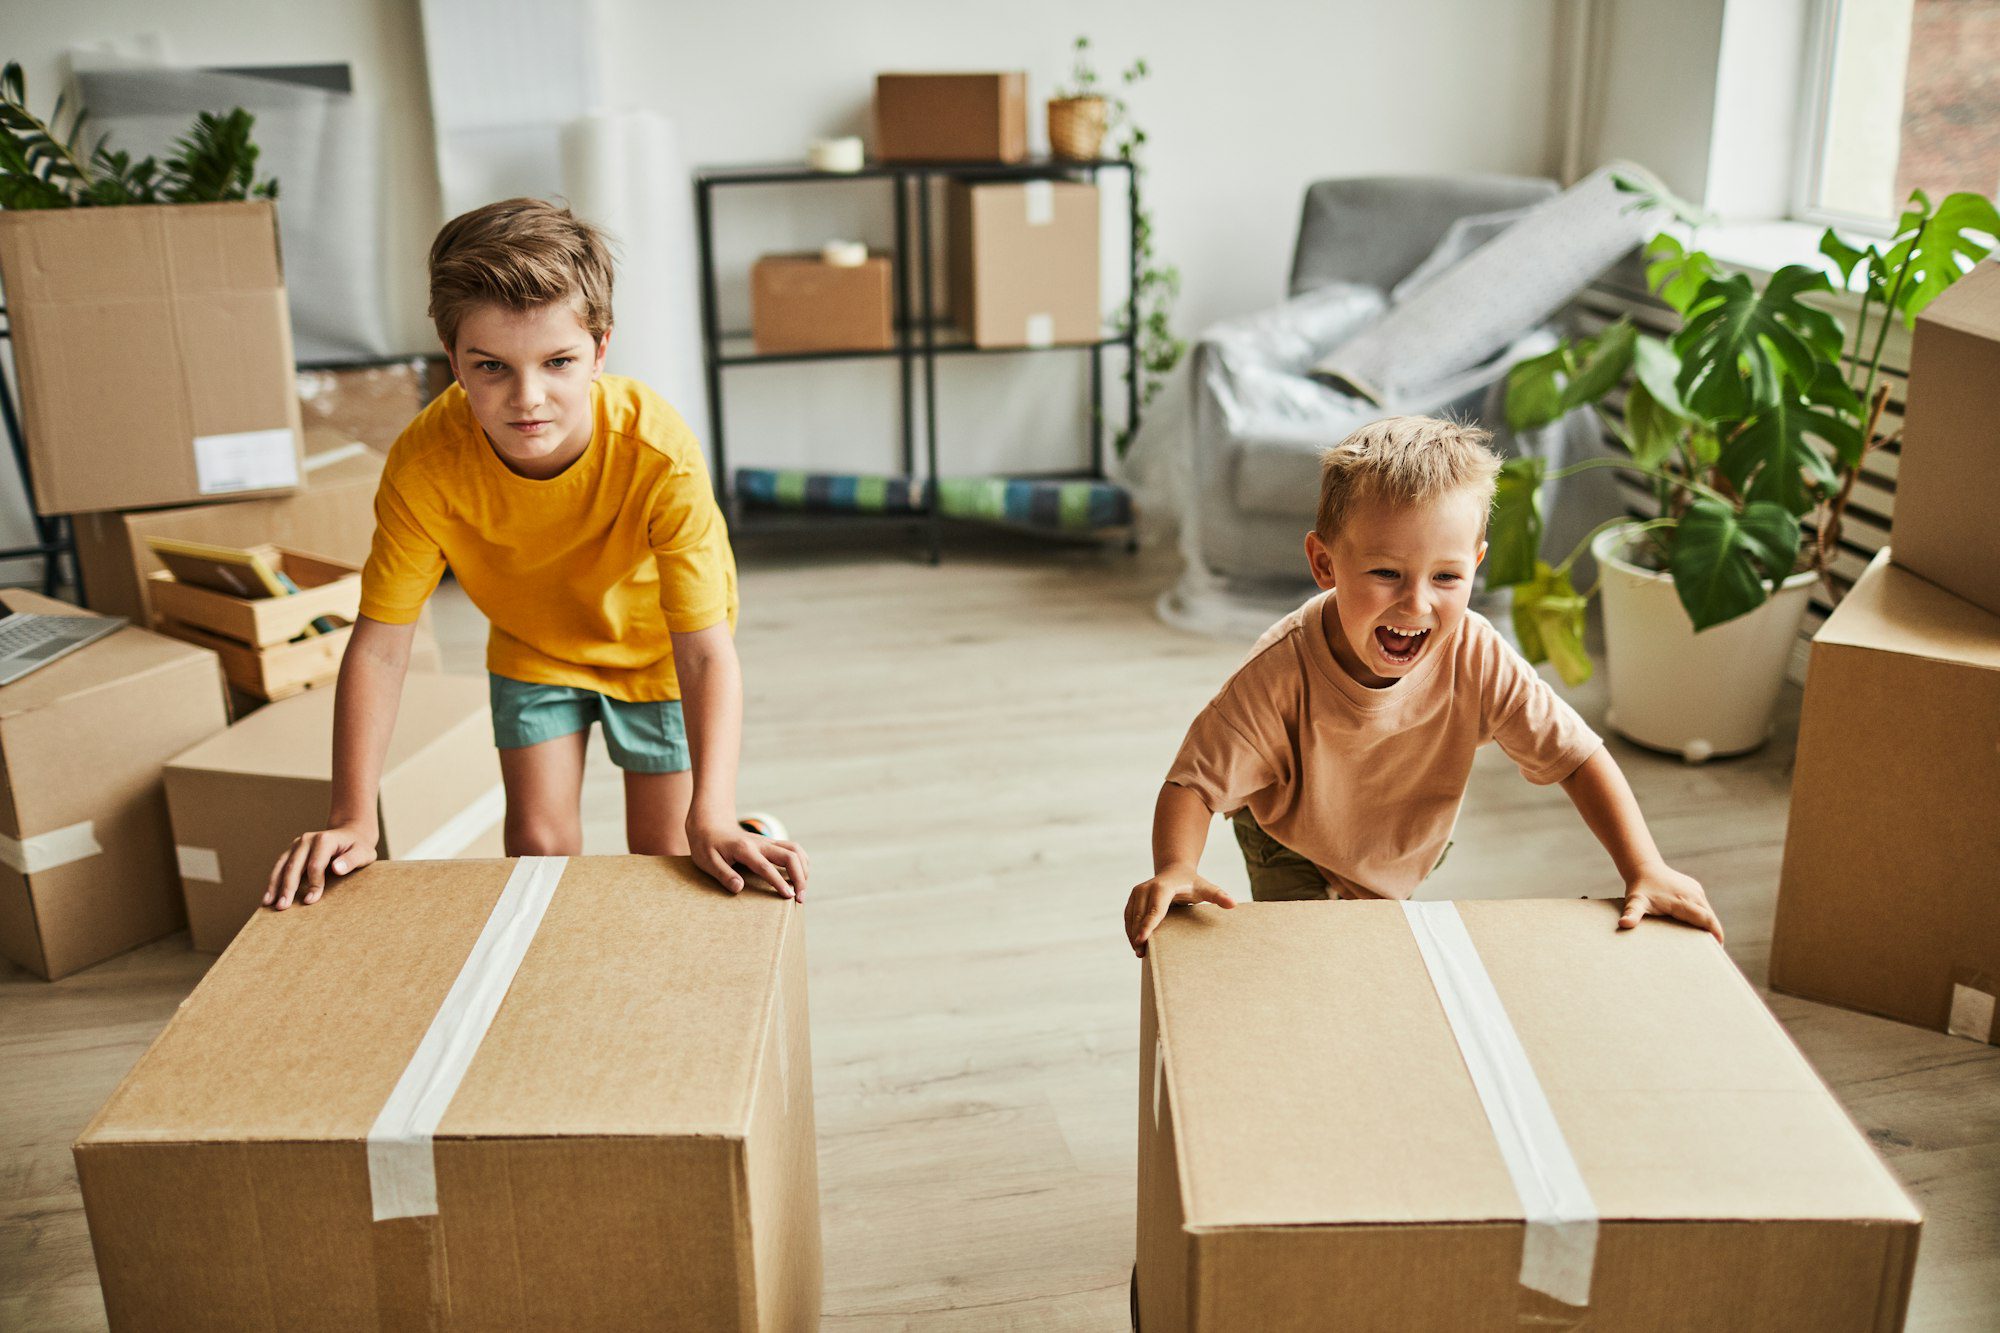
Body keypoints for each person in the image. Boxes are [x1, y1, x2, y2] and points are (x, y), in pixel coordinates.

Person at [266, 198, 805, 909]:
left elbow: (705, 652)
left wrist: (711, 809)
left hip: (654, 651)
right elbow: (380, 647)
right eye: (491, 366)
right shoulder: (425, 465)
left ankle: (743, 825)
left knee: (670, 852)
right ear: (450, 352)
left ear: (601, 349)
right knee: (539, 854)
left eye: (558, 362)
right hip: (534, 646)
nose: (528, 399)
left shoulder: (657, 452)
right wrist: (352, 817)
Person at [1123, 415, 1719, 955]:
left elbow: (1576, 757)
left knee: (1377, 940)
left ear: (1475, 564)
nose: (1417, 602)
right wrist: (1176, 867)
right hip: (1294, 835)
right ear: (1325, 564)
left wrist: (1645, 866)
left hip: (1395, 834)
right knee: (1311, 956)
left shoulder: (1478, 654)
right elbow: (1193, 783)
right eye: (1386, 573)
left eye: (1447, 576)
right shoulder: (1278, 672)